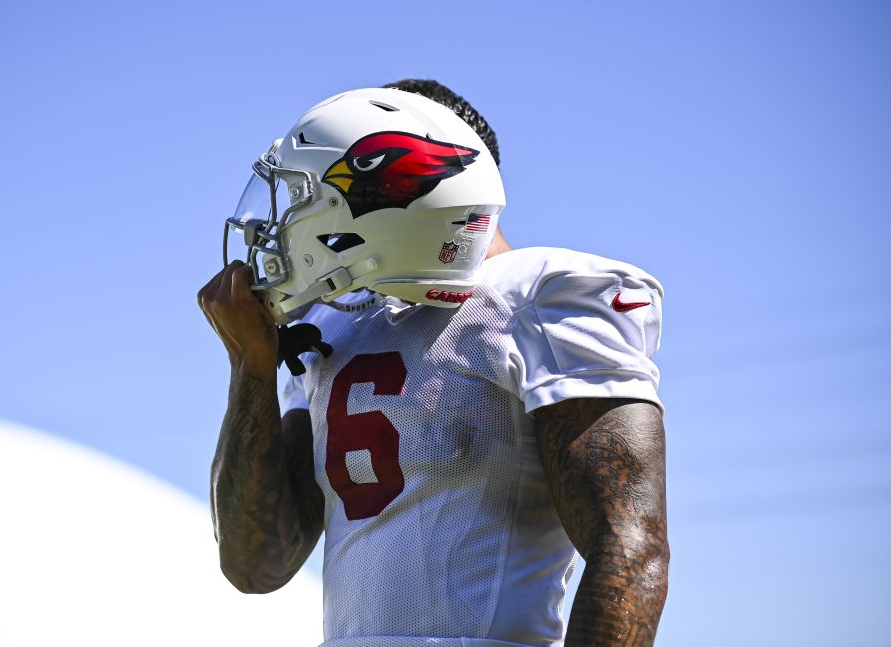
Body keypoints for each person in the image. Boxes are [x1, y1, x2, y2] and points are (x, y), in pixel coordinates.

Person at [199, 80, 668, 647]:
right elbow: (256, 566)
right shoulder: (334, 323)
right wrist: (250, 369)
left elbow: (630, 548)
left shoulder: (538, 296)